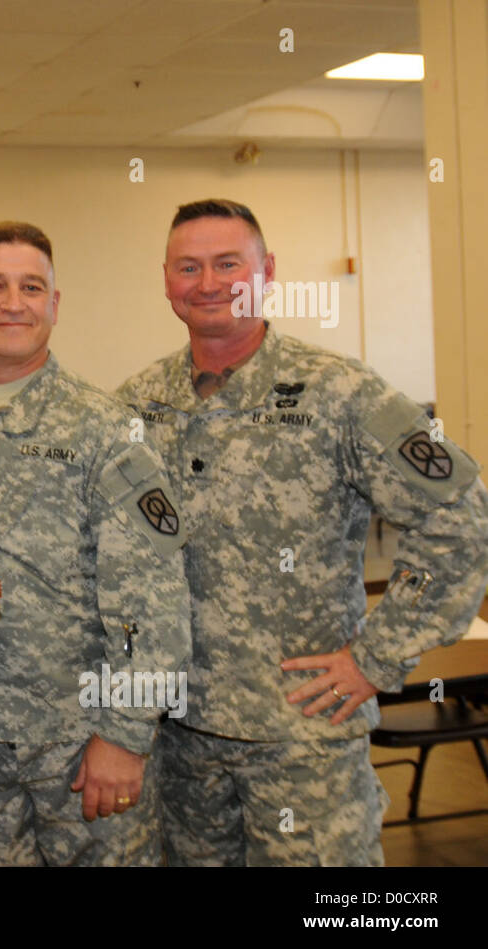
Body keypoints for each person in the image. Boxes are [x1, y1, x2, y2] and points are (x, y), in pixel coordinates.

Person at [117, 198, 488, 865]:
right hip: (181, 744)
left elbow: (462, 512)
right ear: (165, 280)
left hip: (303, 737)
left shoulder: (339, 395)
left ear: (267, 272)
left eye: (228, 263)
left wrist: (377, 658)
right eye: (189, 266)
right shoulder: (138, 405)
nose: (208, 283)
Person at [0, 221, 190, 866]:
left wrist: (126, 735)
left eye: (31, 286)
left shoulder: (106, 431)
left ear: (53, 303)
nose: (13, 303)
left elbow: (153, 597)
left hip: (79, 745)